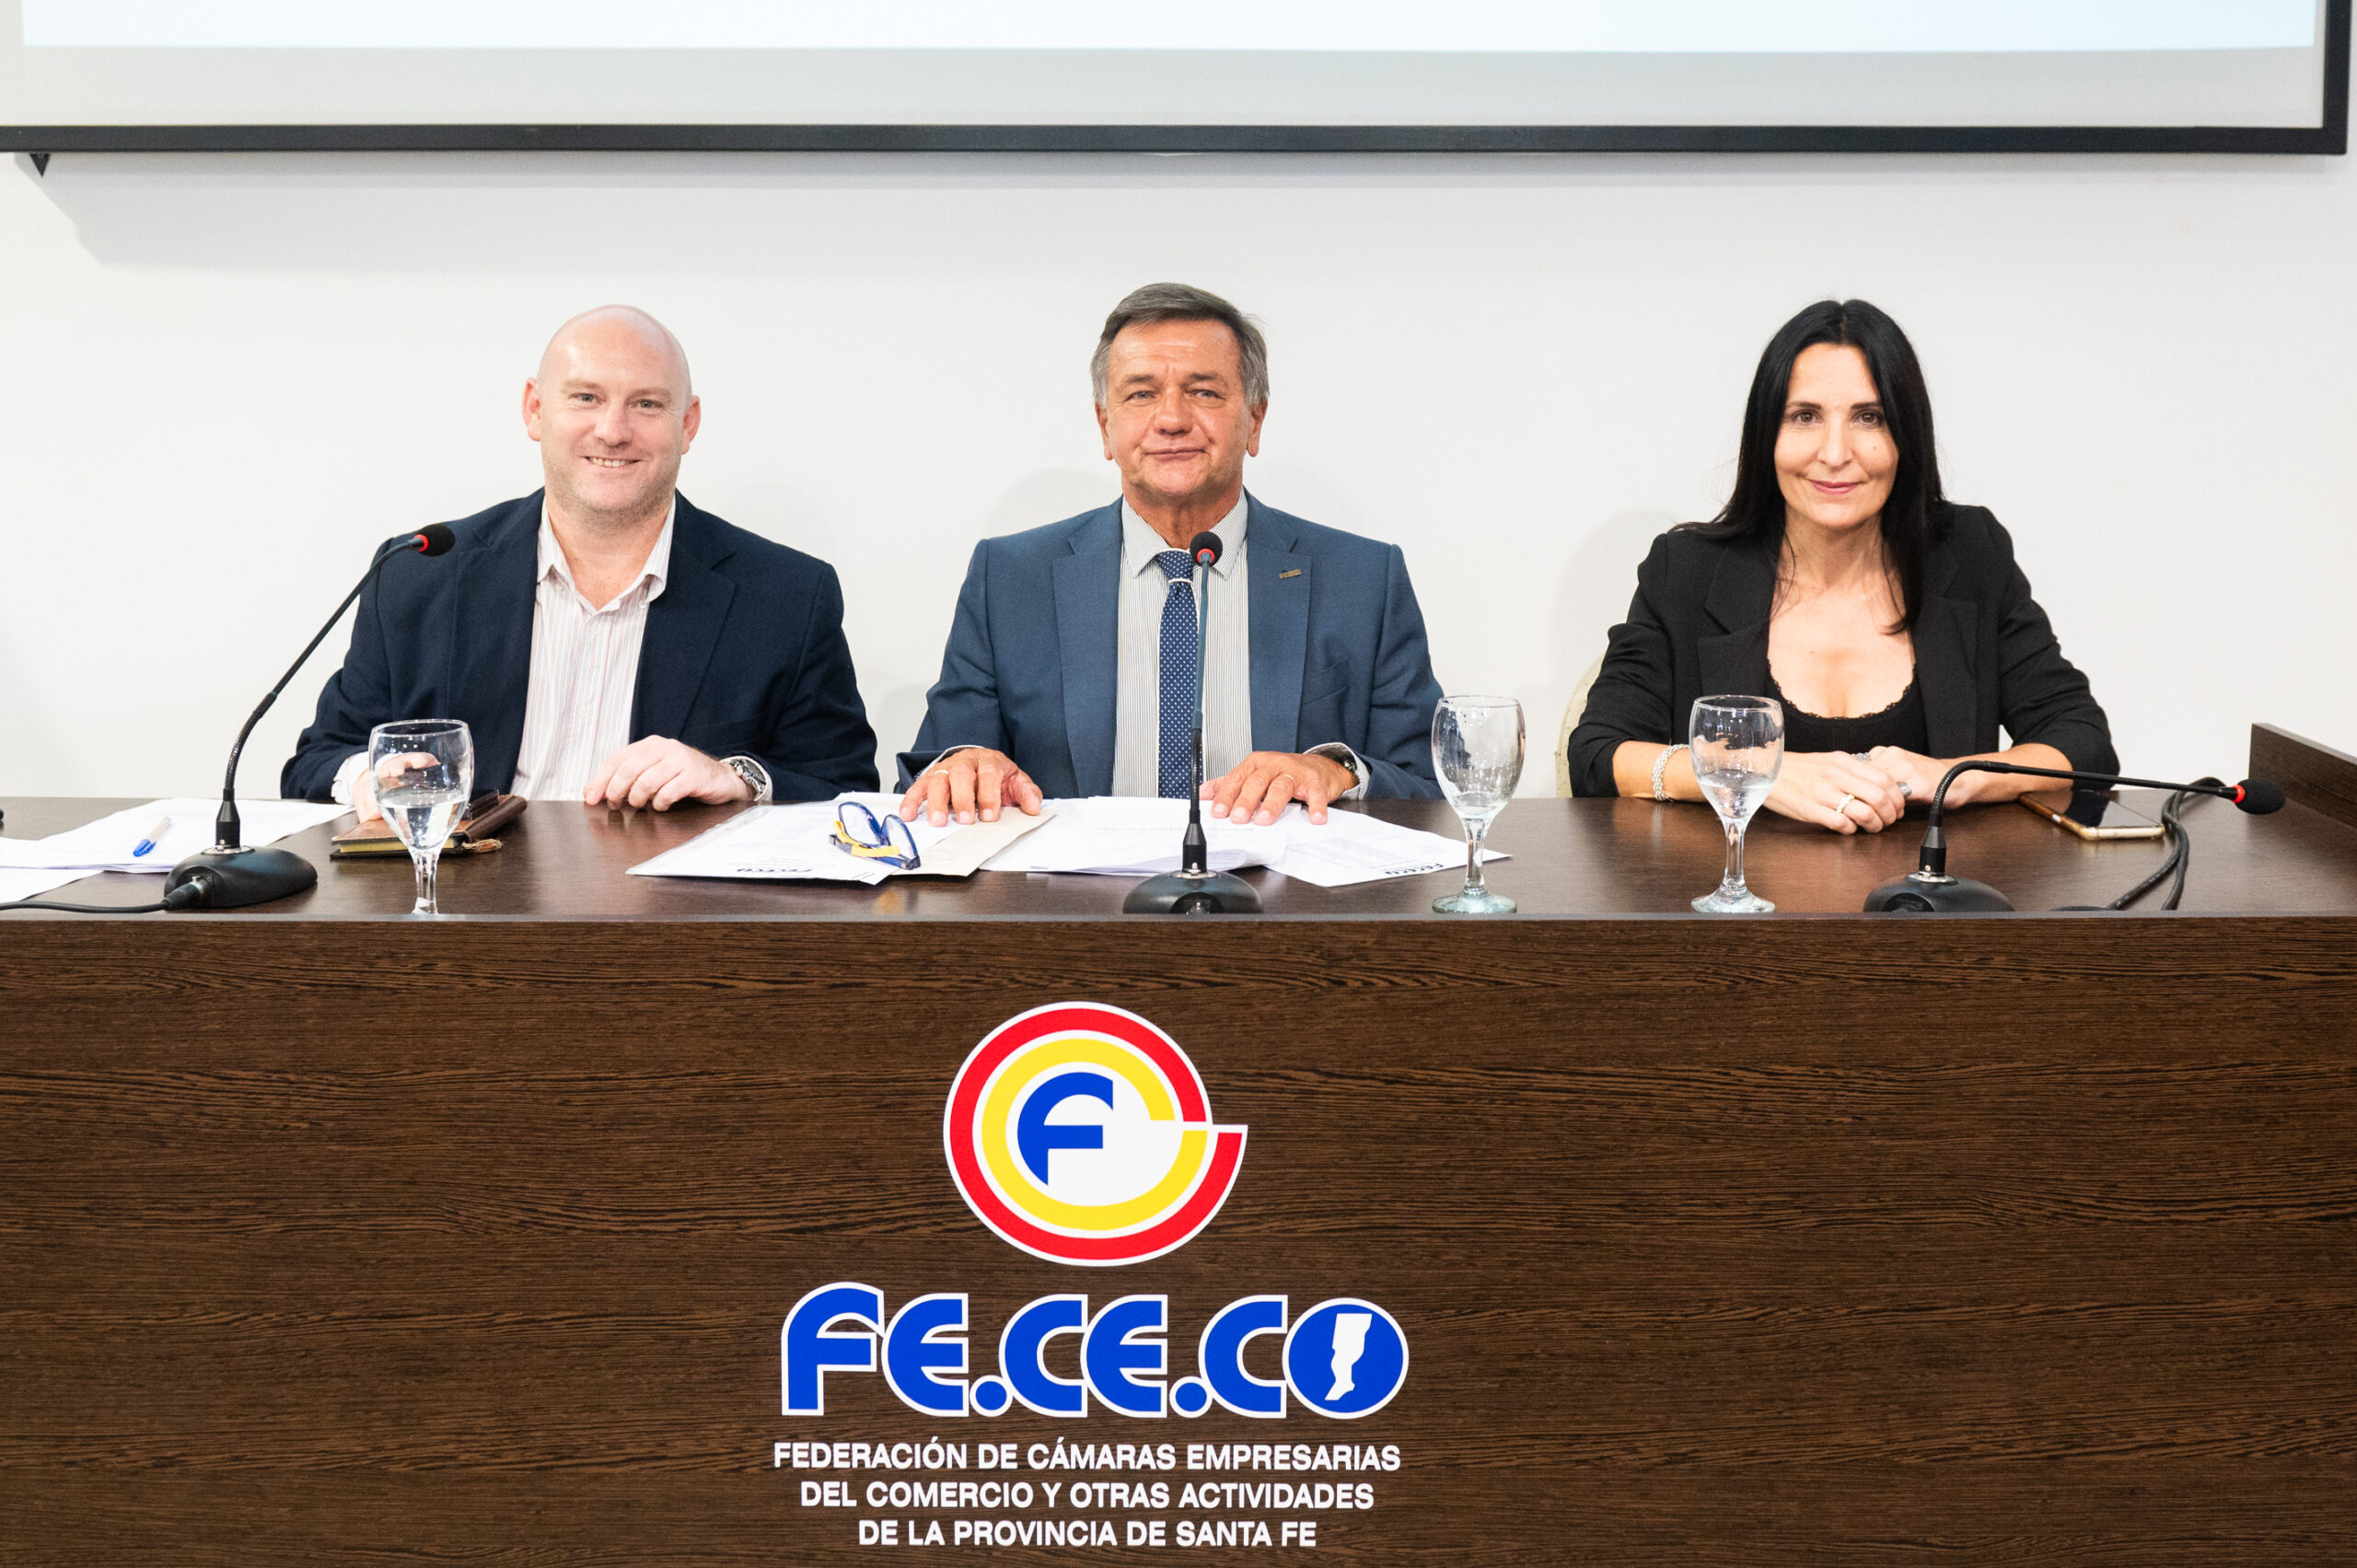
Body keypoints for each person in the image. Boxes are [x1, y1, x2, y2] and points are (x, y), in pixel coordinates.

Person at [283, 305, 877, 815]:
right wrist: (368, 779)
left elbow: (846, 787)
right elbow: (318, 760)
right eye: (586, 397)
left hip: (672, 909)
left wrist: (738, 778)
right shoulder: (418, 574)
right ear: (535, 409)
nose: (613, 431)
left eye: (646, 404)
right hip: (467, 906)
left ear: (688, 424)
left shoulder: (787, 596)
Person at [898, 282, 1444, 828]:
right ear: (1105, 426)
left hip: (1281, 878)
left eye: (1204, 392)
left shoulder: (1362, 580)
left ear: (1254, 420)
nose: (1172, 419)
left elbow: (1432, 789)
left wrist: (1338, 769)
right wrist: (961, 766)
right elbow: (928, 780)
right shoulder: (1010, 579)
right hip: (1073, 883)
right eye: (1140, 394)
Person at [1566, 298, 2116, 830]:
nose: (1834, 453)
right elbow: (1596, 755)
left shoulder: (1970, 553)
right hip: (1732, 891)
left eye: (1869, 418)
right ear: (1767, 435)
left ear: (1906, 436)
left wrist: (1956, 777)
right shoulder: (1687, 570)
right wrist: (1758, 773)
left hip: (1932, 894)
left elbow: (2083, 742)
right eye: (1804, 417)